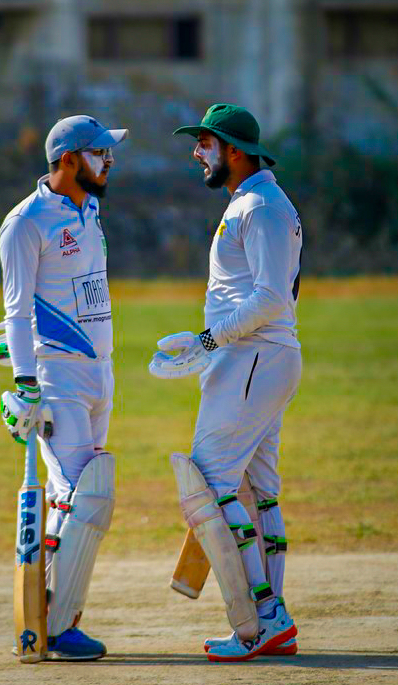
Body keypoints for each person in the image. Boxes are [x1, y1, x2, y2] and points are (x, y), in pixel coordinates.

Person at [149, 104, 302, 662]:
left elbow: (270, 297)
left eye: (205, 143)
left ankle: (258, 621)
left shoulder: (259, 207)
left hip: (252, 358)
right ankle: (273, 618)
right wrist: (212, 345)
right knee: (256, 490)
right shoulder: (254, 202)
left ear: (235, 151)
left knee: (209, 488)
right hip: (258, 360)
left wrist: (208, 341)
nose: (196, 152)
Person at [0, 115, 128, 660]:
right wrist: (26, 383)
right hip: (58, 375)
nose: (109, 161)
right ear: (68, 159)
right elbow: (16, 310)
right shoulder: (25, 222)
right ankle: (57, 627)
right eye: (100, 153)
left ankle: (52, 617)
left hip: (100, 370)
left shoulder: (90, 208)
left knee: (73, 496)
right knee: (83, 497)